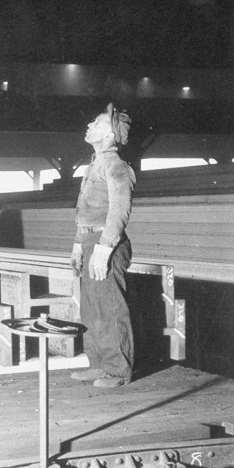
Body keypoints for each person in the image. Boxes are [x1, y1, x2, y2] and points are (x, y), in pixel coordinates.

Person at [69, 103, 136, 389]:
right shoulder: (95, 164)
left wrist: (104, 248)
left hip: (106, 243)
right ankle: (98, 365)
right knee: (92, 309)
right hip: (89, 240)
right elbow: (86, 210)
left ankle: (118, 371)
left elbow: (119, 209)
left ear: (109, 135)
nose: (89, 126)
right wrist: (77, 245)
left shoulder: (116, 166)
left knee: (109, 308)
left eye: (96, 123)